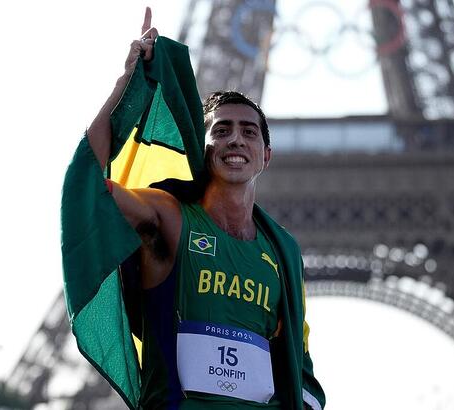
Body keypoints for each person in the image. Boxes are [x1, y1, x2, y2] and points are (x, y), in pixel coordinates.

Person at [83, 7, 325, 410]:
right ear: (203, 148)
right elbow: (92, 186)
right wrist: (127, 85)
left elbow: (295, 356)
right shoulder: (169, 216)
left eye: (248, 132)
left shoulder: (284, 253)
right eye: (221, 130)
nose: (235, 140)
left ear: (265, 155)